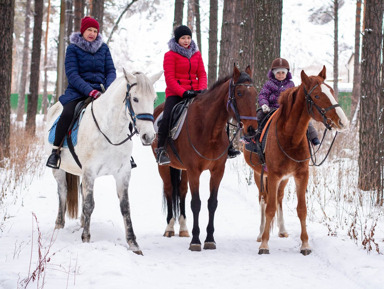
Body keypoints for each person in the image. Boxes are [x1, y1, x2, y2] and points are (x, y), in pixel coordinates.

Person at [46, 16, 116, 169]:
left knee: (118, 114)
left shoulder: (103, 48)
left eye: (95, 30)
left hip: (101, 91)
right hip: (77, 91)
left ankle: (123, 154)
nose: (92, 33)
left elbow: (110, 70)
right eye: (89, 30)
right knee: (67, 113)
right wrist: (90, 91)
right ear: (82, 31)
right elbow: (72, 74)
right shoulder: (73, 48)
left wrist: (109, 89)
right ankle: (56, 151)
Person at [257, 57, 320, 145]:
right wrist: (264, 104)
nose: (281, 75)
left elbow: (295, 96)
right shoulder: (269, 84)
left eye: (283, 72)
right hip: (271, 109)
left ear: (287, 74)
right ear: (273, 73)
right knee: (259, 114)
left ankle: (313, 137)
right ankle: (256, 136)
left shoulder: (291, 84)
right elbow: (263, 95)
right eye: (278, 73)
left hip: (288, 109)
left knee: (304, 118)